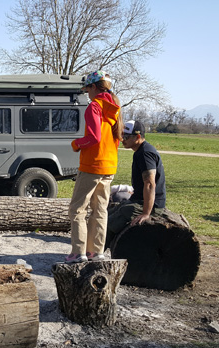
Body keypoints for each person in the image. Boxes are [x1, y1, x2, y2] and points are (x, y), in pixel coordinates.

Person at [66, 70, 123, 263]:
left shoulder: (94, 107)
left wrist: (76, 144)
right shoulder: (114, 108)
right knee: (100, 210)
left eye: (87, 89)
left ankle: (78, 252)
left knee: (77, 209)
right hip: (109, 166)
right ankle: (96, 252)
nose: (86, 93)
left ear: (93, 87)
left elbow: (94, 137)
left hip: (92, 166)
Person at [107, 120, 167, 237]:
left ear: (138, 137)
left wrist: (146, 213)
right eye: (122, 135)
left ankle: (93, 253)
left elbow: (150, 184)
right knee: (110, 213)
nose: (122, 139)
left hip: (151, 205)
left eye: (126, 136)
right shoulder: (141, 151)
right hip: (139, 200)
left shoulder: (145, 153)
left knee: (110, 223)